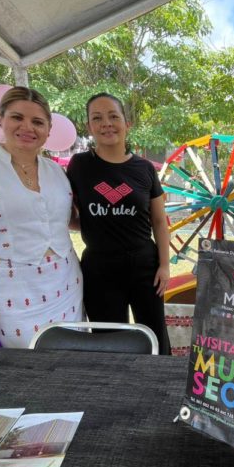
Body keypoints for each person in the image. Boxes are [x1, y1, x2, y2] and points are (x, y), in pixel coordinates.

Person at [0, 86, 84, 348]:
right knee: (21, 371)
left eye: (38, 122)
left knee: (72, 362)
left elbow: (68, 220)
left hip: (67, 284)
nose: (27, 127)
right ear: (1, 119)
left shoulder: (56, 171)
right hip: (14, 291)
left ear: (48, 130)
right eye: (17, 117)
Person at [67, 93, 171, 354]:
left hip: (145, 265)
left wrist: (165, 265)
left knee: (155, 334)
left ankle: (162, 387)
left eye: (114, 116)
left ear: (127, 123)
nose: (106, 124)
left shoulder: (145, 168)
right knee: (108, 341)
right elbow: (67, 214)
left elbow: (159, 221)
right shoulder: (79, 166)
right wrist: (95, 227)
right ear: (89, 127)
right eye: (97, 118)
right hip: (99, 268)